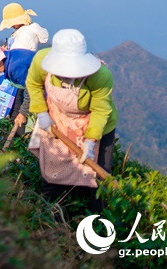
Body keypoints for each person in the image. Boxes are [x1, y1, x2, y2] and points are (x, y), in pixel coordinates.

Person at [25, 29, 118, 212]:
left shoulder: (100, 75)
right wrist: (41, 113)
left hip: (94, 125)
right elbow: (33, 84)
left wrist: (90, 142)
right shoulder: (41, 61)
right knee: (55, 169)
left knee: (98, 178)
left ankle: (100, 223)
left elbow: (101, 110)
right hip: (57, 120)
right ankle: (48, 214)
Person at [0, 44, 36, 128]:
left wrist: (23, 113)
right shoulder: (12, 57)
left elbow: (31, 90)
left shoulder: (15, 67)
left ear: (0, 59)